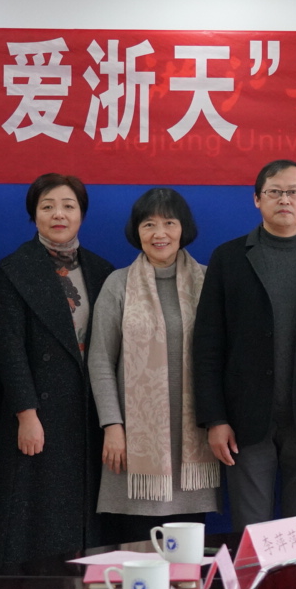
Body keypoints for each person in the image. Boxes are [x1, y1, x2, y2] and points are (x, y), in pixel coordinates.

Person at [192, 160, 296, 529]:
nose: (285, 199)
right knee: (251, 533)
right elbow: (207, 345)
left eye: (294, 192)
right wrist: (215, 419)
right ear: (257, 199)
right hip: (245, 421)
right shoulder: (228, 258)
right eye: (275, 192)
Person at [0, 174, 115, 569]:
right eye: (47, 206)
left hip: (89, 414)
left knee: (85, 519)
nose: (58, 214)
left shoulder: (102, 271)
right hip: (38, 415)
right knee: (34, 520)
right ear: (34, 215)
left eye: (68, 206)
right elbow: (8, 350)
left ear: (81, 214)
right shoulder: (14, 270)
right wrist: (26, 414)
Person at [89, 187, 218, 541]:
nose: (159, 233)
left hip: (194, 446)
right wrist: (112, 425)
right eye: (149, 224)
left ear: (183, 228)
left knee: (185, 558)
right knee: (136, 555)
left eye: (169, 223)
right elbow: (100, 360)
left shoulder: (209, 282)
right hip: (133, 447)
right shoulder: (118, 284)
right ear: (137, 231)